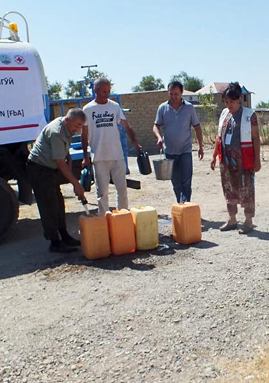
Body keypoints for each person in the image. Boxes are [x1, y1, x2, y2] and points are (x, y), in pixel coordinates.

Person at [27, 108, 87, 253]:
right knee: (49, 205)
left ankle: (64, 236)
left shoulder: (68, 128)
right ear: (67, 120)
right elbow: (60, 162)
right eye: (76, 125)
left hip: (50, 168)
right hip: (39, 168)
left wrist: (73, 179)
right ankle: (54, 242)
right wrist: (76, 184)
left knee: (59, 202)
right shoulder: (57, 132)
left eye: (81, 126)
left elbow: (67, 156)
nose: (78, 129)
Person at [82, 77, 140, 215]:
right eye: (103, 91)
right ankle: (104, 219)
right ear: (95, 91)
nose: (106, 94)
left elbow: (125, 126)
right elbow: (84, 135)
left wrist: (135, 142)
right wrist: (86, 157)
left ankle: (123, 217)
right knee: (102, 193)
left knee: (122, 190)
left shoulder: (114, 107)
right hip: (99, 157)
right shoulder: (88, 109)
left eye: (108, 91)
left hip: (117, 156)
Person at [210, 82, 261, 234]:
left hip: (244, 159)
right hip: (226, 160)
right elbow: (219, 137)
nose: (228, 104)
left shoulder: (249, 115)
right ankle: (232, 219)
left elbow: (256, 138)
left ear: (239, 99)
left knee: (246, 189)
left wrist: (257, 160)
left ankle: (248, 221)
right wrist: (214, 157)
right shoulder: (224, 114)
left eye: (231, 101)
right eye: (226, 102)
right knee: (228, 188)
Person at [152, 81, 204, 203]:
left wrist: (200, 146)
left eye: (176, 94)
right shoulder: (163, 108)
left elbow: (197, 127)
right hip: (170, 152)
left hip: (185, 151)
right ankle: (180, 205)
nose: (174, 97)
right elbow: (155, 126)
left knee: (186, 182)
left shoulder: (189, 108)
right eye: (171, 94)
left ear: (181, 93)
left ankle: (186, 207)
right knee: (176, 183)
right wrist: (159, 137)